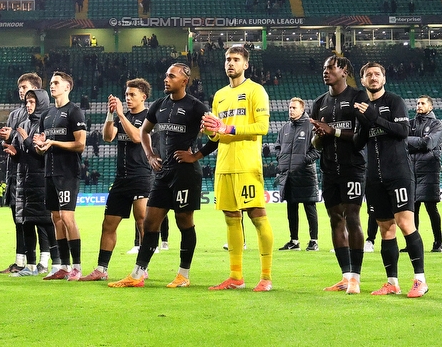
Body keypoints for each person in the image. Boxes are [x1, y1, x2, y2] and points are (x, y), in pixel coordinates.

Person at [109, 63, 208, 288]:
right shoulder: (159, 105)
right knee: (150, 223)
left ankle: (183, 274)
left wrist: (196, 155)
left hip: (185, 174)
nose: (166, 79)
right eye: (165, 75)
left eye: (171, 76)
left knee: (184, 221)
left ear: (184, 81)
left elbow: (216, 133)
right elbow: (143, 132)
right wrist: (151, 155)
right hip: (163, 174)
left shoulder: (196, 106)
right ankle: (137, 274)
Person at [198, 45, 273, 292]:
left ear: (245, 64)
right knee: (231, 219)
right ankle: (236, 276)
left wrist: (228, 129)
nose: (231, 63)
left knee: (257, 216)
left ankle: (265, 277)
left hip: (247, 165)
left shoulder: (255, 90)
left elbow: (262, 127)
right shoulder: (219, 95)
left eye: (236, 59)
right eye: (228, 59)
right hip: (224, 165)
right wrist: (210, 131)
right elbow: (216, 137)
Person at [354, 62, 428, 298]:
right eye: (368, 75)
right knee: (386, 229)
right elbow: (357, 144)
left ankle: (420, 280)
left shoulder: (395, 102)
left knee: (406, 224)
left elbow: (403, 133)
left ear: (384, 79)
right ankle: (392, 282)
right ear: (363, 80)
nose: (373, 78)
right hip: (374, 177)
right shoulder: (362, 108)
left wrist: (374, 117)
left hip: (398, 173)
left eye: (377, 74)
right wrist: (365, 122)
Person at [81, 78, 153, 281]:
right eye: (126, 94)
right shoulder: (124, 116)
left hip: (141, 175)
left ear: (143, 97)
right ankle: (101, 269)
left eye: (132, 95)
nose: (128, 98)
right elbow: (107, 136)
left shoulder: (149, 117)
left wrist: (121, 114)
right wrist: (111, 113)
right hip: (121, 178)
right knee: (109, 223)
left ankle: (142, 267)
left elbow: (137, 137)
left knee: (142, 221)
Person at [309, 55, 366, 294]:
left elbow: (362, 137)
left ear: (344, 71)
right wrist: (319, 137)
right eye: (324, 68)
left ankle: (356, 277)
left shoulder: (358, 98)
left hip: (353, 166)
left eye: (331, 68)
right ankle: (345, 275)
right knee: (335, 219)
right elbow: (315, 144)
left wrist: (333, 132)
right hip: (329, 169)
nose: (326, 72)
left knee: (352, 216)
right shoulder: (319, 102)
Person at [34, 71, 87, 281]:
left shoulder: (74, 111)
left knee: (67, 217)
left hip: (67, 172)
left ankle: (77, 266)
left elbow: (80, 144)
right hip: (50, 171)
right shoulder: (46, 114)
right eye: (52, 82)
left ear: (68, 87)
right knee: (56, 218)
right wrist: (40, 146)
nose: (52, 85)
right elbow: (43, 147)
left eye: (57, 83)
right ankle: (63, 266)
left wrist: (54, 143)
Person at [0, 73, 44, 274]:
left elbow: (32, 141)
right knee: (18, 217)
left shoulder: (42, 115)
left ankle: (42, 261)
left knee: (40, 220)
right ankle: (20, 261)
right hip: (15, 171)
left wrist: (14, 135)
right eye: (20, 89)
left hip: (34, 173)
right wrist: (6, 139)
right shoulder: (15, 114)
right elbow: (13, 141)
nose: (21, 92)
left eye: (25, 88)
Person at [8, 89, 56, 276]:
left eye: (32, 102)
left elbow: (40, 154)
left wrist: (27, 141)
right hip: (24, 181)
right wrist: (14, 153)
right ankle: (30, 266)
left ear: (41, 103)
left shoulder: (47, 125)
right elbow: (22, 154)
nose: (28, 105)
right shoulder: (23, 124)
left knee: (44, 223)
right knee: (26, 222)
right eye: (27, 101)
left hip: (41, 180)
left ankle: (51, 262)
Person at [273, 98, 319, 252]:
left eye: (294, 108)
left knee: (309, 207)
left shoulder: (310, 126)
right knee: (291, 208)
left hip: (305, 174)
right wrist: (281, 158)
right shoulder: (285, 128)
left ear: (302, 109)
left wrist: (304, 160)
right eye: (290, 107)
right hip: (288, 175)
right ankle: (294, 241)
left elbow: (318, 149)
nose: (291, 110)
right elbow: (277, 146)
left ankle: (313, 241)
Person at [408, 96, 442, 252]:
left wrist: (411, 141)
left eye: (422, 103)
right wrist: (418, 142)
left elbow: (428, 143)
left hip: (429, 170)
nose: (419, 105)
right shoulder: (410, 123)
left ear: (430, 107)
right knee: (412, 209)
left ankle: (439, 243)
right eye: (417, 103)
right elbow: (401, 142)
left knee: (431, 208)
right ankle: (413, 245)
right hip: (411, 169)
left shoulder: (437, 125)